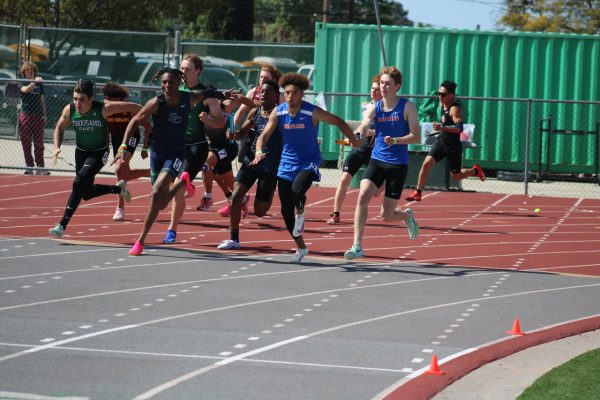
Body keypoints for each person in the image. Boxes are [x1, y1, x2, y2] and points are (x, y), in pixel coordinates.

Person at [252, 73, 360, 263]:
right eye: (286, 93)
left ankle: (301, 211)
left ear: (302, 94)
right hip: (286, 163)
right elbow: (263, 135)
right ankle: (301, 247)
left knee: (297, 191)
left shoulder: (313, 112)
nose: (290, 97)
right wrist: (259, 151)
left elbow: (340, 122)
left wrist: (354, 142)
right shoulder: (279, 112)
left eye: (293, 93)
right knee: (286, 210)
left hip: (308, 161)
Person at [117, 67, 224, 256]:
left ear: (179, 84)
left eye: (170, 82)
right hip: (157, 153)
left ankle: (140, 240)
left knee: (157, 192)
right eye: (164, 82)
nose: (166, 85)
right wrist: (123, 147)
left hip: (175, 153)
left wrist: (224, 94)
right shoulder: (156, 103)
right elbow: (135, 120)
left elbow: (207, 92)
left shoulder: (188, 99)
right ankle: (184, 182)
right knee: (159, 200)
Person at [48, 79, 145, 238]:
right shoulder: (70, 110)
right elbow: (59, 127)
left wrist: (154, 112)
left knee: (78, 182)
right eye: (75, 98)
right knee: (85, 193)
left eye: (82, 99)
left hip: (99, 153)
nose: (77, 103)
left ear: (91, 99)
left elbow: (134, 107)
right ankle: (117, 189)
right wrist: (57, 147)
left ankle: (61, 225)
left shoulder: (104, 109)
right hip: (81, 152)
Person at [343, 66, 421, 261]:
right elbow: (364, 123)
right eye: (381, 83)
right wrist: (357, 135)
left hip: (398, 164)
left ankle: (406, 216)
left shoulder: (407, 107)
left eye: (387, 83)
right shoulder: (375, 107)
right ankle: (357, 245)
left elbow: (416, 136)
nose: (383, 87)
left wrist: (396, 140)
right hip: (377, 160)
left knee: (386, 216)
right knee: (362, 196)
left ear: (397, 86)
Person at [217, 79, 282, 250]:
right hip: (251, 160)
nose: (263, 94)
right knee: (236, 195)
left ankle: (269, 191)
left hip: (270, 164)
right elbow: (240, 134)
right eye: (261, 91)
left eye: (267, 92)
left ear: (276, 96)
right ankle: (234, 238)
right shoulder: (255, 112)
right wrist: (233, 134)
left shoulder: (281, 114)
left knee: (260, 211)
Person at [162, 54, 219, 244]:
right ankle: (187, 185)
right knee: (163, 186)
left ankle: (171, 230)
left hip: (196, 147)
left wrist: (208, 120)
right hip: (175, 146)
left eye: (187, 69)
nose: (183, 71)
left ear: (198, 71)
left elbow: (220, 121)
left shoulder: (206, 93)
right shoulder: (174, 89)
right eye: (182, 68)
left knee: (177, 188)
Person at [405, 80, 485, 202]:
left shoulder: (455, 110)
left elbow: (459, 128)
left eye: (442, 94)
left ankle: (475, 171)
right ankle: (418, 192)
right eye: (439, 93)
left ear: (451, 95)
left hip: (453, 146)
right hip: (441, 142)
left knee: (456, 176)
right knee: (426, 164)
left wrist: (443, 127)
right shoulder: (442, 104)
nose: (439, 97)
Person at [327, 74, 383, 224]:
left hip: (376, 151)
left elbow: (389, 130)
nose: (373, 92)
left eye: (377, 90)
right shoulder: (366, 106)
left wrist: (372, 132)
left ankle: (385, 179)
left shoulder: (386, 108)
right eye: (372, 89)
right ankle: (335, 214)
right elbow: (361, 126)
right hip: (361, 148)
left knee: (377, 193)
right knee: (344, 178)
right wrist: (353, 138)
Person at [102, 82, 151, 221]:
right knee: (123, 173)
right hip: (117, 140)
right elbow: (105, 131)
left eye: (110, 99)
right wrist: (105, 148)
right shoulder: (104, 110)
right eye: (105, 98)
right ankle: (151, 172)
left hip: (131, 138)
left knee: (119, 168)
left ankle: (120, 207)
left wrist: (145, 147)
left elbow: (148, 127)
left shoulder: (130, 109)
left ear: (120, 100)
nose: (107, 102)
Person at [18, 61, 48, 175]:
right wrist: (34, 82)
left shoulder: (39, 84)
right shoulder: (22, 82)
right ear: (24, 72)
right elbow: (25, 90)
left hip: (38, 116)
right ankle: (29, 166)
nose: (30, 71)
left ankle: (40, 167)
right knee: (26, 142)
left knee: (39, 143)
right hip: (26, 115)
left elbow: (42, 100)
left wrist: (44, 115)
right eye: (27, 70)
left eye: (32, 70)